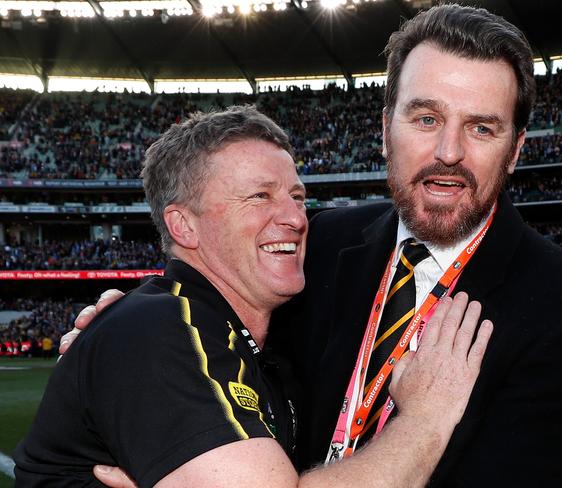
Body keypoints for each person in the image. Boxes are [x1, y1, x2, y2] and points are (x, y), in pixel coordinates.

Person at [61, 4, 562, 486]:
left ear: (516, 148)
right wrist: (138, 329)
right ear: (385, 128)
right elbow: (220, 341)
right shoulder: (320, 244)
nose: (449, 151)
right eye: (425, 118)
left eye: (482, 127)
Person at [15, 106, 493, 487]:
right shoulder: (157, 329)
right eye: (260, 196)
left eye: (298, 197)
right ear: (183, 225)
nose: (294, 217)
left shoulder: (253, 350)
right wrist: (426, 419)